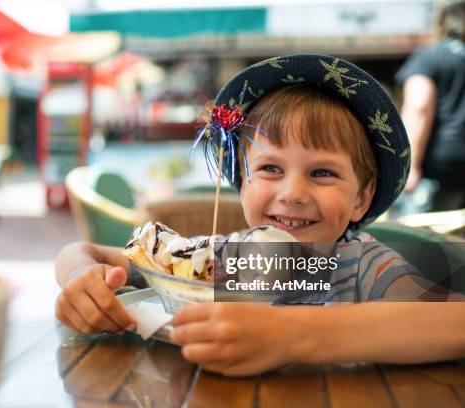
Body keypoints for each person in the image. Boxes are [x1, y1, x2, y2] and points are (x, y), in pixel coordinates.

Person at [55, 54, 465, 376]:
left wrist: (294, 337)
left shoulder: (362, 267)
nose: (292, 194)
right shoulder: (231, 260)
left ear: (362, 197)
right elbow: (86, 251)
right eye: (271, 169)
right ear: (243, 180)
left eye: (322, 172)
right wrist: (80, 280)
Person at [396, 0, 465, 210]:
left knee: (436, 238)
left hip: (443, 165)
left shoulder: (430, 57)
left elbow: (419, 107)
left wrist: (410, 166)